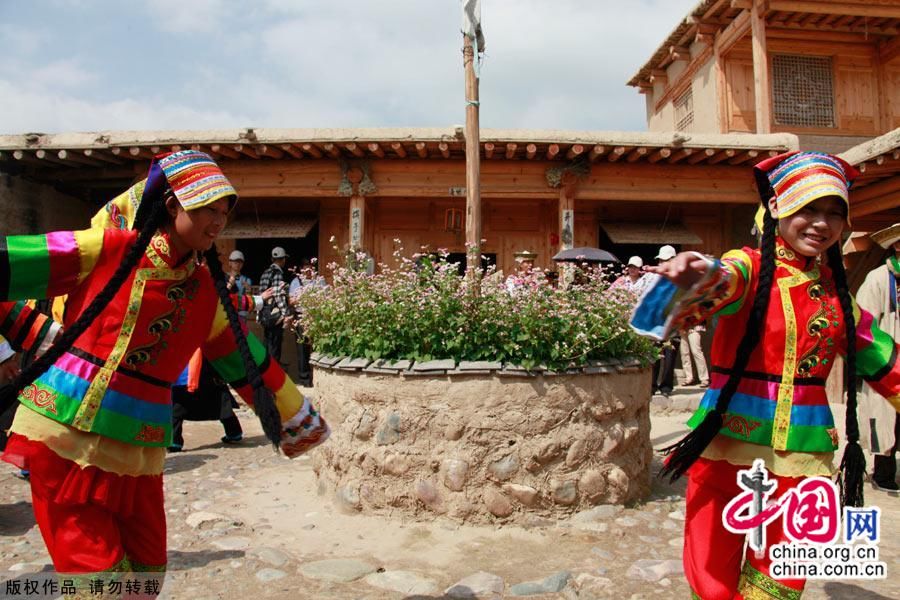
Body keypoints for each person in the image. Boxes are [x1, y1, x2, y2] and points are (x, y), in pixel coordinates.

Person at [0, 150, 329, 590]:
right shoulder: (107, 249)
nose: (217, 223)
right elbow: (13, 263)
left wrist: (297, 419)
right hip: (66, 430)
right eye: (207, 210)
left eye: (223, 214)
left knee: (147, 570)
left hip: (139, 450)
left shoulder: (204, 293)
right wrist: (35, 332)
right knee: (97, 574)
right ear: (173, 205)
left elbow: (247, 360)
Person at [631, 151, 900, 599]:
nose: (822, 223)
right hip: (726, 447)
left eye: (835, 213)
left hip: (804, 455)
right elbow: (724, 277)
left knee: (781, 578)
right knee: (712, 571)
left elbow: (883, 359)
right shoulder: (752, 267)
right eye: (808, 209)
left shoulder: (837, 298)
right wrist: (696, 274)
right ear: (776, 208)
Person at [856, 222, 900, 492]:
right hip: (887, 360)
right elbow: (864, 323)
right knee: (886, 421)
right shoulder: (878, 278)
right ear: (897, 246)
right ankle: (883, 473)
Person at [169, 349, 244, 452]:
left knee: (177, 410)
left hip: (186, 376)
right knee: (221, 404)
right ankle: (234, 433)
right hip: (206, 371)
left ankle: (174, 442)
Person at [650, 245, 678, 397]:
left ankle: (666, 387)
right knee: (654, 355)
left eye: (665, 260)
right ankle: (652, 386)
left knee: (670, 356)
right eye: (661, 260)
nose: (662, 263)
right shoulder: (654, 277)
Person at [259, 246, 291, 362]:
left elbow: (261, 294)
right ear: (283, 259)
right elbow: (278, 295)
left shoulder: (265, 273)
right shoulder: (278, 273)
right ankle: (273, 375)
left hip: (265, 314)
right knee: (275, 347)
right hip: (275, 315)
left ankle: (265, 374)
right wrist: (286, 313)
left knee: (266, 344)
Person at [225, 249, 254, 319]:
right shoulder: (223, 278)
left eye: (240, 262)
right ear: (230, 263)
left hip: (241, 315)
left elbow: (249, 300)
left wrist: (248, 290)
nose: (238, 263)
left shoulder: (247, 280)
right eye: (235, 261)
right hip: (226, 313)